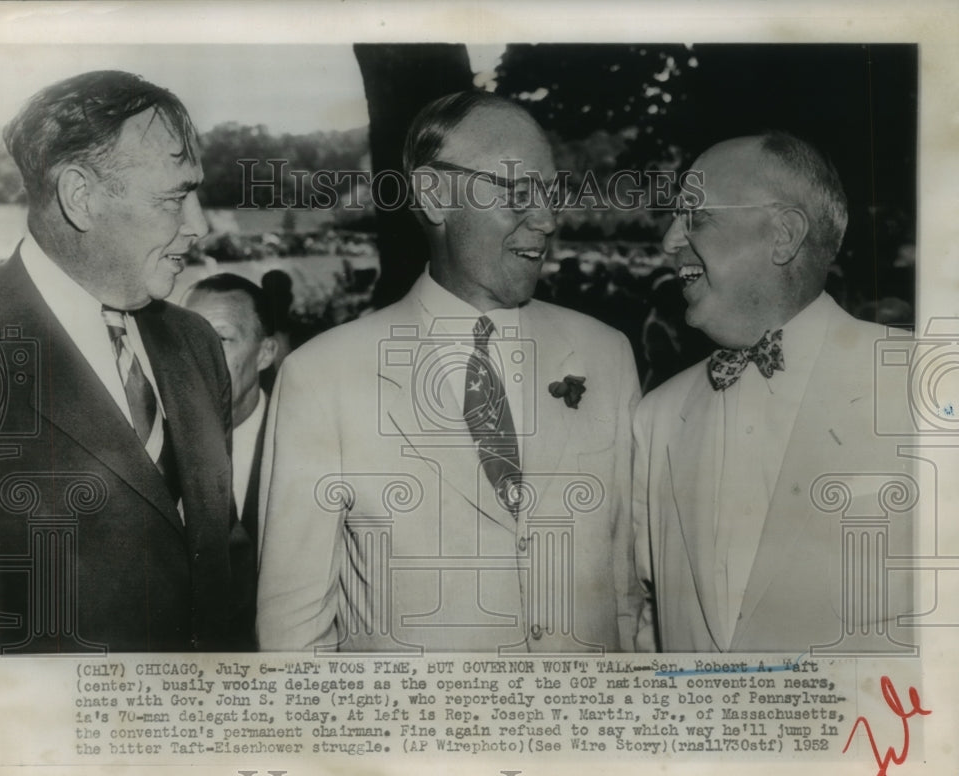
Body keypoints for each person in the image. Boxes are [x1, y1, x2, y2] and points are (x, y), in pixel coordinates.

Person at [258, 91, 643, 652]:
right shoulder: (322, 377)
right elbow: (293, 634)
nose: (548, 219)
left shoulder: (606, 354)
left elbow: (626, 591)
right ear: (435, 196)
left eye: (551, 192)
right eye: (517, 192)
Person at [0, 70, 252, 653]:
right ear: (81, 197)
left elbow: (222, 557)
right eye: (173, 197)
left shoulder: (196, 343)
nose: (199, 225)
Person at [632, 132, 914, 652]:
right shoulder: (657, 416)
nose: (671, 240)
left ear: (783, 235)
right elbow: (647, 624)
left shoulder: (925, 384)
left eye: (696, 216)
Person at [183, 273, 277, 547]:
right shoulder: (155, 444)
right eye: (185, 338)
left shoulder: (305, 442)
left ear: (265, 354)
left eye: (221, 338)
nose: (196, 356)